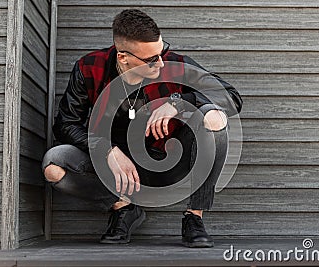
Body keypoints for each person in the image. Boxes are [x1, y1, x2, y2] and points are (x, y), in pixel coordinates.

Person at [42, 9, 242, 248]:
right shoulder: (89, 68)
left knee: (215, 119)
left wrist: (177, 102)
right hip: (114, 171)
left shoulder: (174, 65)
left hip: (169, 163)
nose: (159, 62)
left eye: (162, 51)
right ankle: (124, 207)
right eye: (150, 60)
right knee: (53, 164)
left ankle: (194, 217)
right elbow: (65, 124)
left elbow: (231, 98)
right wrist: (107, 150)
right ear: (123, 57)